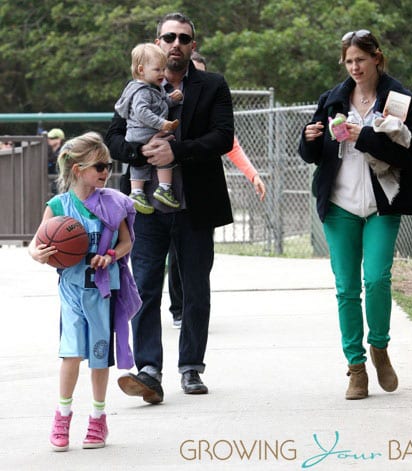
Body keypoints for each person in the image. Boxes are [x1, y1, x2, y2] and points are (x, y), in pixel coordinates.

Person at [105, 12, 234, 400]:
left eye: (183, 38)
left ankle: (191, 367)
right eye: (168, 37)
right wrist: (139, 150)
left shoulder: (212, 86)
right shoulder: (136, 87)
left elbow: (223, 137)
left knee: (195, 289)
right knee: (144, 288)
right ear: (157, 43)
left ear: (193, 45)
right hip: (145, 210)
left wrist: (175, 150)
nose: (175, 43)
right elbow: (113, 136)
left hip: (195, 206)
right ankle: (148, 370)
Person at [299, 30, 412, 400]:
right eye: (349, 61)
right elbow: (312, 153)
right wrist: (308, 139)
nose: (354, 67)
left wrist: (363, 135)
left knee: (377, 279)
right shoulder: (333, 99)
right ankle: (356, 368)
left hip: (382, 203)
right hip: (339, 205)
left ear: (377, 58)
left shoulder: (400, 99)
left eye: (361, 59)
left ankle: (380, 349)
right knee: (346, 289)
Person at [28, 132, 141, 450]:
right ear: (78, 169)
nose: (106, 170)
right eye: (99, 166)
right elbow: (36, 246)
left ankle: (98, 419)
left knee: (99, 357)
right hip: (73, 291)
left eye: (108, 164)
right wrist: (38, 255)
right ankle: (62, 416)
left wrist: (111, 256)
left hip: (102, 291)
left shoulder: (114, 203)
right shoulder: (59, 205)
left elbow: (126, 242)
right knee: (72, 353)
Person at [169, 51, 266, 328]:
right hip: (170, 187)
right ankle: (179, 307)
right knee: (175, 254)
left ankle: (194, 304)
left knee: (199, 256)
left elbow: (231, 144)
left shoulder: (211, 104)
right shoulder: (164, 100)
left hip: (202, 190)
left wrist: (253, 174)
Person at [114, 43, 183, 214]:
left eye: (163, 69)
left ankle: (137, 192)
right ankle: (164, 188)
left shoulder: (153, 88)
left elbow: (161, 102)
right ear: (141, 69)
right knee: (166, 153)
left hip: (137, 135)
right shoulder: (142, 91)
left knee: (140, 165)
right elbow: (142, 111)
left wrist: (172, 99)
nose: (162, 74)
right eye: (157, 70)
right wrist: (162, 124)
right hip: (143, 133)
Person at [47, 128, 65, 195]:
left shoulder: (63, 151)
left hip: (61, 182)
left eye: (51, 138)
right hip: (53, 182)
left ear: (59, 139)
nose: (48, 140)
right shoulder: (49, 150)